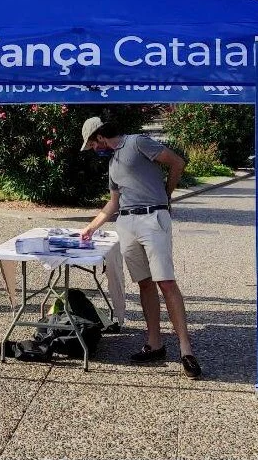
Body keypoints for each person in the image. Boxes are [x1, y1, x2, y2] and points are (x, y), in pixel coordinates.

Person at [76, 117, 201, 378]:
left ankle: (186, 349)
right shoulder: (112, 163)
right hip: (127, 221)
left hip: (152, 217)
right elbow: (112, 204)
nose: (93, 150)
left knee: (166, 282)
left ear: (99, 137)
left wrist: (167, 194)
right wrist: (90, 227)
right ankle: (154, 343)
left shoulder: (137, 142)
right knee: (144, 283)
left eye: (91, 144)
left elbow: (177, 162)